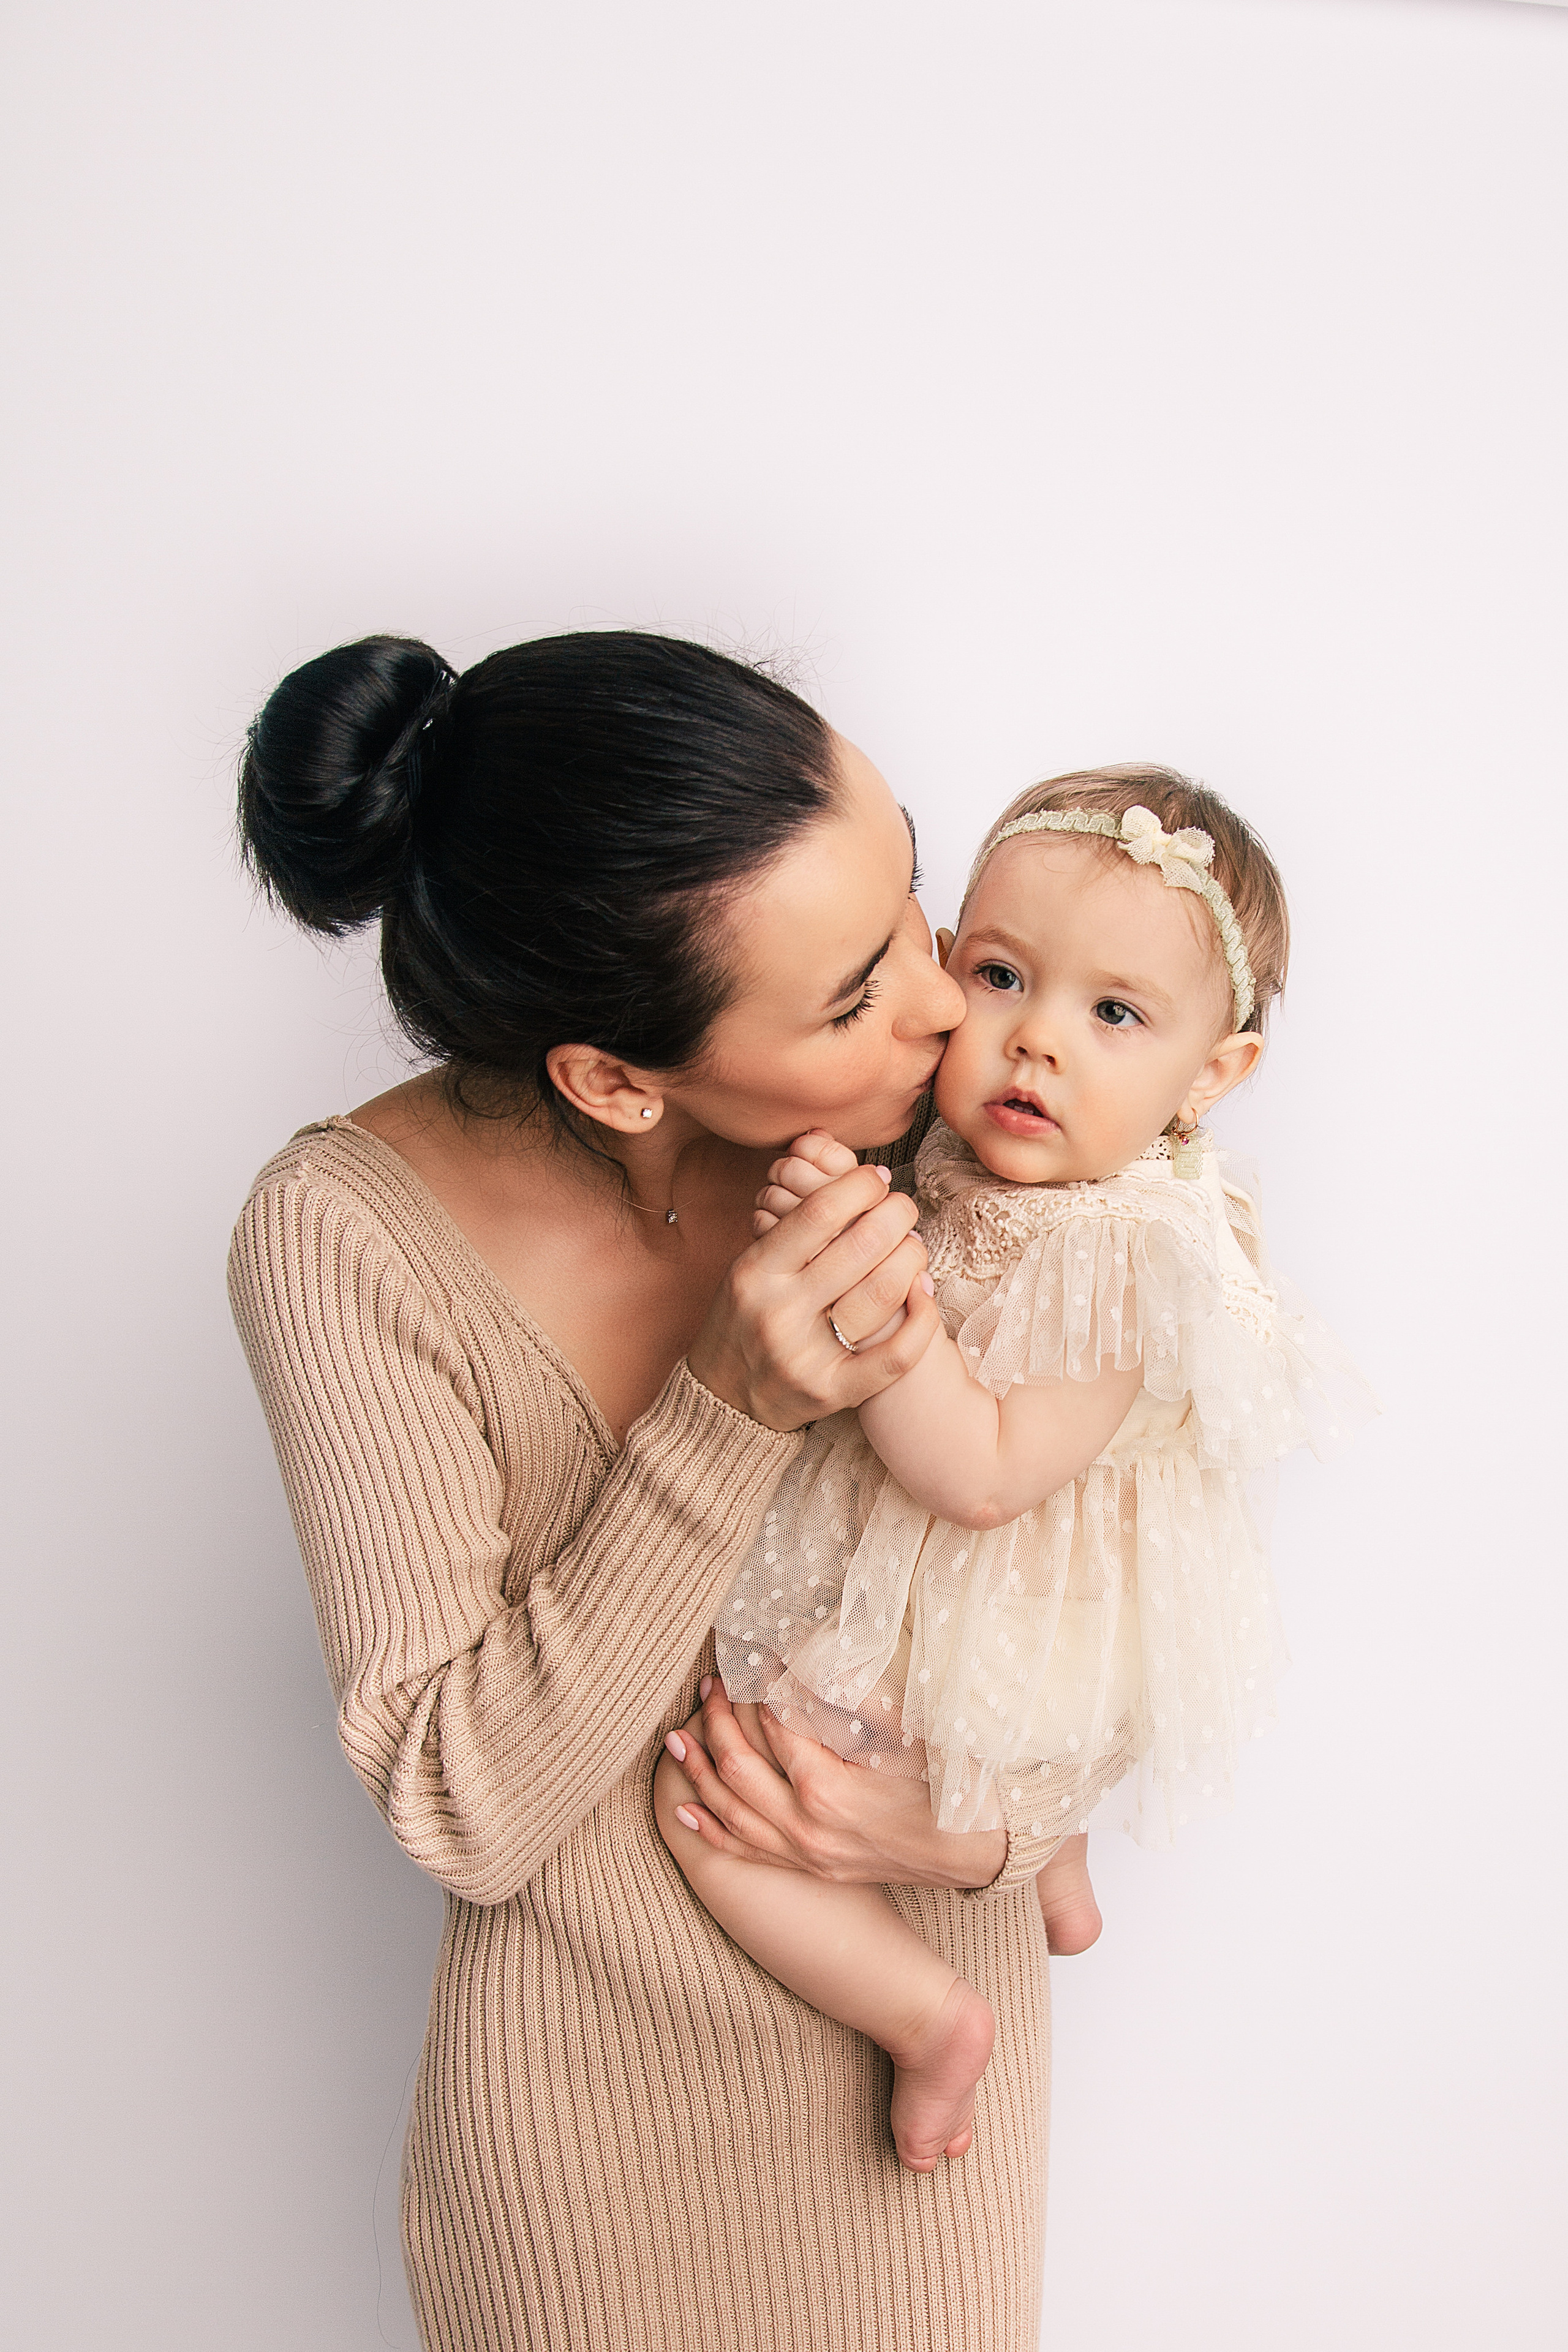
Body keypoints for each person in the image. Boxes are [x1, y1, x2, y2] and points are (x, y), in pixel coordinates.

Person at [227, 630, 1064, 2352]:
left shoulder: (968, 1134)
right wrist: (730, 1408)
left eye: (909, 888)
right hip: (591, 2180)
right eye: (850, 998)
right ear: (612, 1074)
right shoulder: (342, 1242)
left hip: (924, 2150)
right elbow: (468, 1807)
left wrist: (991, 1837)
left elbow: (1121, 1597)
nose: (940, 999)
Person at [658, 767, 1373, 2173]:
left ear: (1209, 1075)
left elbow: (979, 1474)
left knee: (714, 1806)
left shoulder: (1130, 1252)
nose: (1032, 1043)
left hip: (984, 1607)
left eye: (1112, 1014)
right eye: (997, 975)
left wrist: (878, 1299)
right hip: (1000, 1594)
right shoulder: (957, 1155)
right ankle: (1058, 1873)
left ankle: (927, 2018)